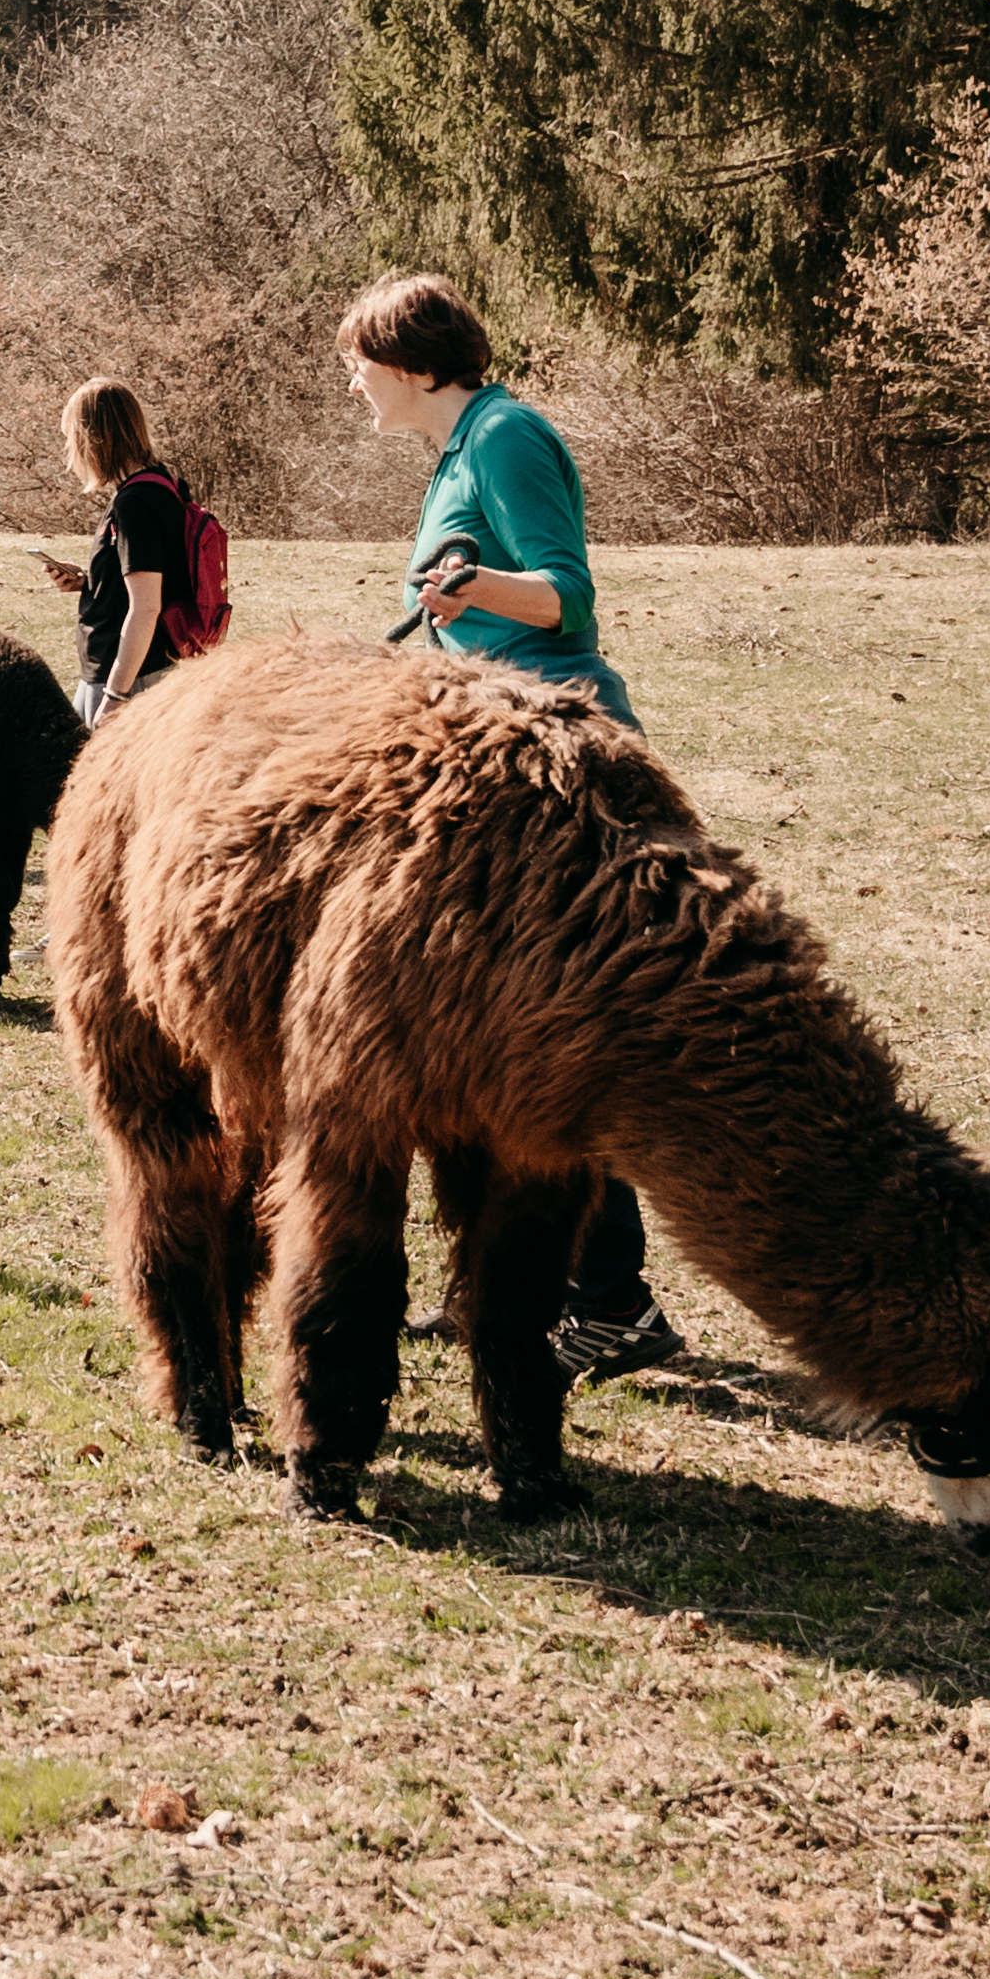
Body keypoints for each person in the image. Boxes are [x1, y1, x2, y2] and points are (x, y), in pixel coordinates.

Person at [346, 268, 677, 1375]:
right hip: (490, 757)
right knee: (500, 1032)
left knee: (567, 1033)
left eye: (357, 361)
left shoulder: (505, 433)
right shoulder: (458, 447)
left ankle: (614, 1303)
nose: (352, 381)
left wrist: (478, 585)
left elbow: (565, 594)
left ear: (406, 362)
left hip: (560, 760)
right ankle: (522, 1280)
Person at [58, 381, 195, 726]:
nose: (70, 448)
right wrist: (90, 583)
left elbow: (146, 607)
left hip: (129, 680)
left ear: (92, 438)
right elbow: (152, 577)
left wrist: (115, 697)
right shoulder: (160, 486)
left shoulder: (136, 503)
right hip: (129, 673)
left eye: (70, 438)